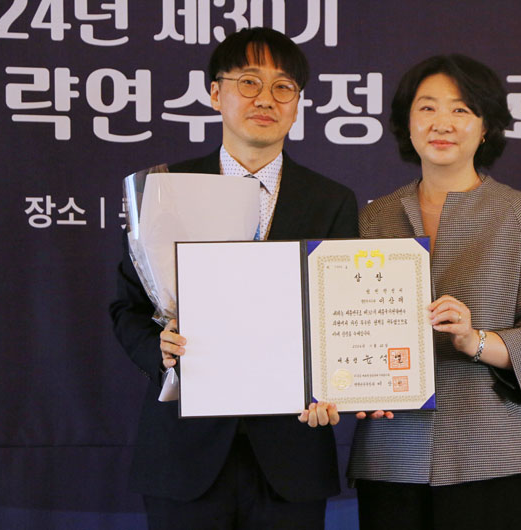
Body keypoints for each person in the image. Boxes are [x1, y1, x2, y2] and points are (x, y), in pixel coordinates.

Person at [109, 27, 357, 530]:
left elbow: (344, 314)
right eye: (248, 82)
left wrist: (336, 385)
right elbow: (128, 307)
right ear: (214, 93)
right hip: (185, 449)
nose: (265, 99)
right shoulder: (166, 189)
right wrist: (159, 350)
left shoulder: (331, 200)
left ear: (297, 104)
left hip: (292, 449)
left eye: (283, 87)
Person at [346, 55, 521, 530]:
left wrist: (475, 340)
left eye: (461, 110)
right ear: (407, 122)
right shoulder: (372, 218)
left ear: (486, 126)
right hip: (392, 450)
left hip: (492, 448)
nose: (442, 123)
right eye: (427, 108)